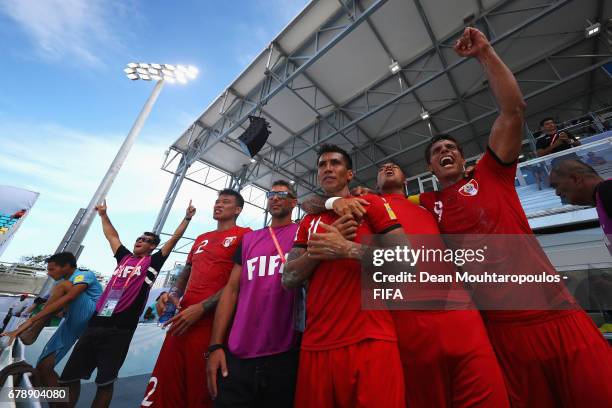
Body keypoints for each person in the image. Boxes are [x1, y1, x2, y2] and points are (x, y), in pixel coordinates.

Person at [326, 27, 612, 407]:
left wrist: (485, 54)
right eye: (437, 150)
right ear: (429, 166)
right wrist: (333, 203)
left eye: (452, 148)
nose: (445, 151)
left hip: (558, 315)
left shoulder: (492, 175)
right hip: (502, 333)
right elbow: (363, 206)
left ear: (463, 159)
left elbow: (513, 110)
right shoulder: (422, 205)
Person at [283, 144, 407, 408]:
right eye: (322, 164)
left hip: (370, 339)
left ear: (349, 174)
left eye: (335, 163)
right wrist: (319, 250)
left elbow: (406, 263)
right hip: (316, 345)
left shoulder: (370, 203)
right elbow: (288, 279)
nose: (327, 168)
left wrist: (347, 248)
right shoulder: (309, 220)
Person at [58, 199, 195, 408]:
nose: (140, 240)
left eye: (146, 239)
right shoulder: (123, 258)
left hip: (120, 330)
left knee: (104, 384)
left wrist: (186, 218)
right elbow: (111, 236)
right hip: (95, 325)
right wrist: (103, 215)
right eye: (139, 237)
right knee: (67, 379)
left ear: (153, 246)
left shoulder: (153, 262)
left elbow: (174, 240)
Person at [142, 189, 250, 408]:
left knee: (201, 392)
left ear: (238, 210)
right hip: (181, 320)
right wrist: (172, 294)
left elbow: (239, 282)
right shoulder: (201, 239)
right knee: (164, 387)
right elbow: (186, 273)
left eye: (225, 202)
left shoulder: (246, 235)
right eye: (217, 201)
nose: (218, 205)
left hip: (213, 324)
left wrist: (203, 307)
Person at [206, 180, 301, 408]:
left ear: (294, 202)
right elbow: (231, 290)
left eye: (283, 194)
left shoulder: (303, 233)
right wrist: (215, 346)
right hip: (239, 351)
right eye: (271, 194)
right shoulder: (249, 239)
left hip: (285, 352)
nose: (275, 198)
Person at [2, 252, 102, 390]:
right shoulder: (60, 284)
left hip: (90, 316)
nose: (48, 273)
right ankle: (59, 402)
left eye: (51, 269)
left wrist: (30, 322)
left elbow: (70, 297)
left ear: (66, 266)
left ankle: (34, 330)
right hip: (71, 323)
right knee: (43, 368)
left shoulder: (84, 275)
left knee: (63, 286)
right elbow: (55, 304)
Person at [549, 159, 612, 254]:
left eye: (556, 185)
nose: (557, 193)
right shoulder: (602, 197)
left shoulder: (607, 191)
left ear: (576, 178)